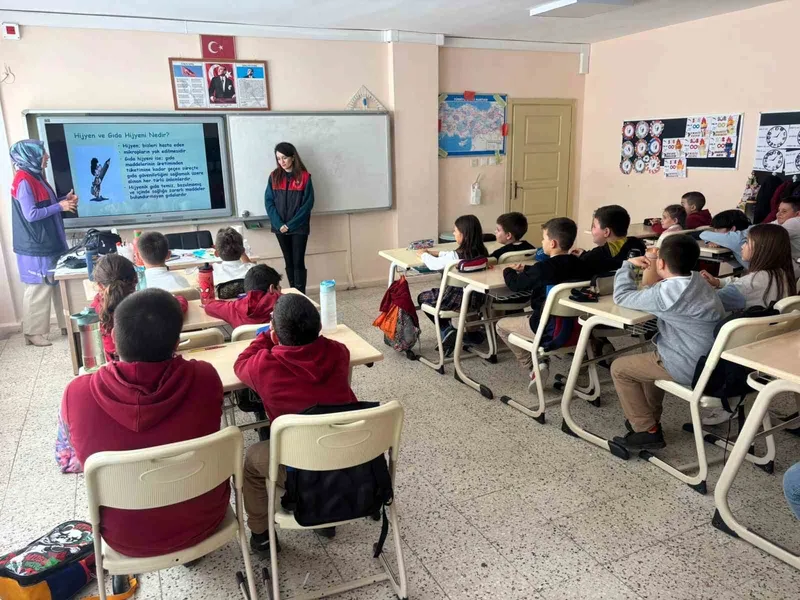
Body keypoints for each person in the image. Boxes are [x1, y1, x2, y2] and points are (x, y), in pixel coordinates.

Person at [61, 289, 227, 557]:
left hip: (124, 536)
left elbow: (78, 455)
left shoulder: (77, 394)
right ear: (177, 343)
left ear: (113, 339)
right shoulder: (205, 378)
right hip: (204, 520)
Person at [233, 294, 357, 554]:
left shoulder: (264, 367)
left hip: (300, 465)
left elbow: (240, 363)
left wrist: (266, 336)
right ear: (319, 326)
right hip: (346, 455)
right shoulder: (340, 352)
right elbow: (328, 346)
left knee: (252, 460)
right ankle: (325, 518)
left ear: (275, 334)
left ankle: (262, 535)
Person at [609, 235, 725, 450]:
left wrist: (628, 265)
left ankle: (646, 430)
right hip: (712, 361)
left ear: (660, 263)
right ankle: (650, 418)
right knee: (648, 361)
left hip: (689, 364)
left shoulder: (667, 294)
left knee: (619, 368)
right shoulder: (697, 281)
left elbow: (622, 297)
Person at [496, 217, 592, 385]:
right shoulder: (582, 265)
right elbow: (556, 272)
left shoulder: (544, 268)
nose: (542, 242)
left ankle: (534, 366)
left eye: (544, 238)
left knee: (500, 326)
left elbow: (516, 285)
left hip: (546, 329)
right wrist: (528, 269)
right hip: (579, 329)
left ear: (552, 243)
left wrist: (508, 271)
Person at [9, 139, 77, 347]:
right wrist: (60, 207)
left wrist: (63, 200)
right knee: (39, 287)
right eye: (42, 153)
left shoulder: (36, 176)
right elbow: (31, 214)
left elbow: (45, 203)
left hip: (48, 241)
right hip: (36, 246)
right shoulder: (23, 181)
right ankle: (33, 332)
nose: (46, 156)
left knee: (57, 283)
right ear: (30, 156)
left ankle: (66, 325)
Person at [91, 254, 187, 361]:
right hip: (158, 364)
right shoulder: (146, 305)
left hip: (115, 368)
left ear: (99, 285)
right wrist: (178, 299)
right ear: (135, 279)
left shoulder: (93, 315)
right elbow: (176, 307)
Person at [416, 215, 489, 353]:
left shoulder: (454, 257)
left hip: (456, 300)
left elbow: (434, 264)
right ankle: (473, 334)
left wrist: (423, 255)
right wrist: (439, 253)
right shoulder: (483, 252)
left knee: (422, 297)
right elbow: (451, 255)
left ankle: (447, 329)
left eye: (455, 231)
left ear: (464, 234)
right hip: (478, 298)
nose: (453, 233)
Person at [701, 224, 795, 312]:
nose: (742, 246)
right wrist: (718, 282)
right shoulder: (782, 273)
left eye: (746, 242)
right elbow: (743, 284)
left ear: (760, 249)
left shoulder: (747, 285)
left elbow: (705, 304)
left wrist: (699, 286)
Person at [264, 142, 315, 294]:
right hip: (279, 228)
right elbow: (269, 202)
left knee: (298, 260)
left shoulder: (304, 177)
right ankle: (293, 291)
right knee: (288, 260)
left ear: (293, 157)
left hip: (299, 227)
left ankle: (301, 294)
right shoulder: (274, 176)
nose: (282, 162)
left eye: (284, 158)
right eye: (278, 158)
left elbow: (307, 205)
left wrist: (290, 225)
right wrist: (279, 224)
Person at [203, 264, 282, 329]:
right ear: (272, 288)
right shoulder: (285, 304)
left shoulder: (233, 307)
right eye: (279, 287)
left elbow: (209, 306)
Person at [572, 205, 647, 273]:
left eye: (594, 226)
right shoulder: (638, 245)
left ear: (606, 232)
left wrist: (583, 256)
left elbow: (594, 260)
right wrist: (583, 254)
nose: (592, 229)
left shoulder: (593, 257)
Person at [213, 227, 254, 298]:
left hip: (223, 304)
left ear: (216, 254)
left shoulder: (212, 271)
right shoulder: (253, 270)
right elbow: (251, 266)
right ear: (243, 251)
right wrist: (242, 253)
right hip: (248, 304)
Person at [771, 197, 800, 277]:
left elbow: (767, 237)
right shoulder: (782, 220)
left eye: (784, 211)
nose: (778, 214)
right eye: (778, 210)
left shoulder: (795, 221)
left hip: (796, 264)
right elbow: (761, 229)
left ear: (797, 214)